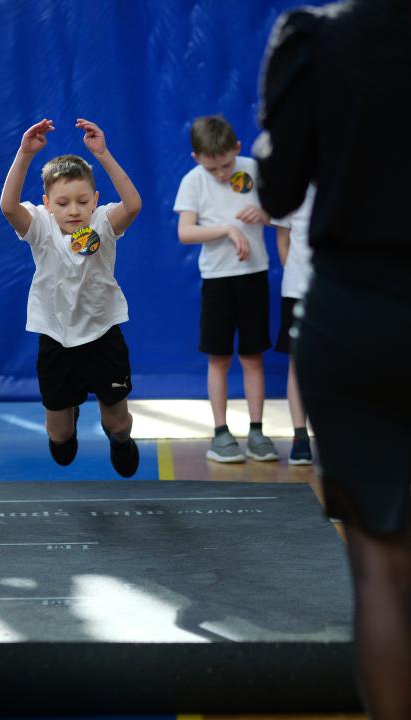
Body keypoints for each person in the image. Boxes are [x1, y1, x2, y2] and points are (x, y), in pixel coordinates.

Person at [254, 1, 411, 718]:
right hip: (358, 311)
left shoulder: (319, 40)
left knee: (379, 566)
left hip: (356, 315)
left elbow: (280, 189)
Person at [0, 118, 142, 478]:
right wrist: (24, 154)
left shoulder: (104, 222)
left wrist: (103, 154)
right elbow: (8, 206)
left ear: (95, 200)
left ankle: (120, 440)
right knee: (60, 441)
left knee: (118, 424)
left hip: (102, 335)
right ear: (48, 204)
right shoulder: (39, 225)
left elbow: (133, 204)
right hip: (57, 338)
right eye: (63, 203)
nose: (74, 210)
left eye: (82, 201)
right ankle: (70, 414)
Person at [174, 114, 279, 464]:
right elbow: (185, 232)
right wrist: (227, 230)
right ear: (196, 158)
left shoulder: (253, 169)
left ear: (237, 148)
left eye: (226, 165)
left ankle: (257, 431)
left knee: (252, 357)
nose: (220, 174)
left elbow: (279, 215)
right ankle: (220, 433)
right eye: (212, 168)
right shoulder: (193, 181)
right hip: (217, 279)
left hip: (254, 274)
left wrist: (263, 214)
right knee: (218, 358)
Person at [272, 184, 315, 465]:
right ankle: (300, 437)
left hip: (338, 293)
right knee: (297, 363)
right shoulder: (295, 186)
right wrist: (297, 276)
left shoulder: (348, 186)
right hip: (298, 291)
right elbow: (283, 239)